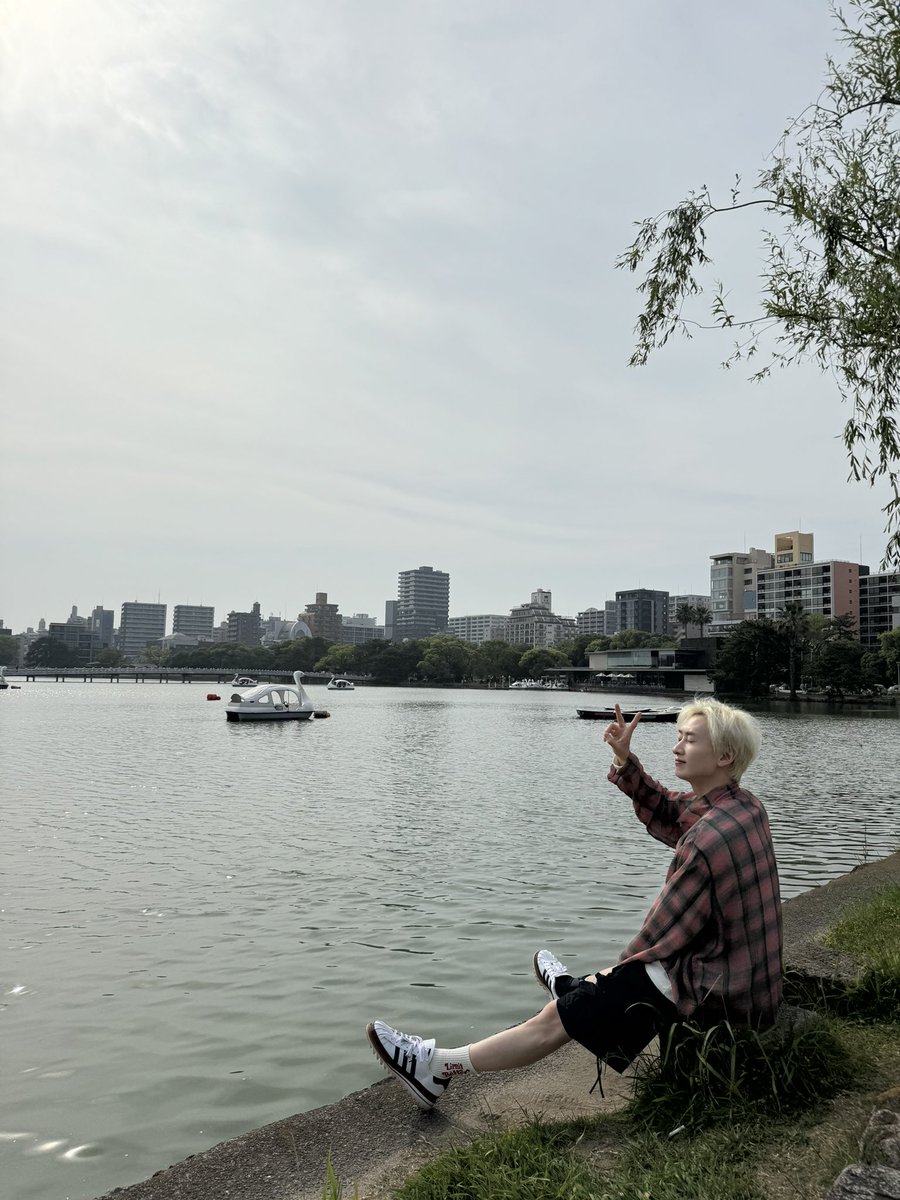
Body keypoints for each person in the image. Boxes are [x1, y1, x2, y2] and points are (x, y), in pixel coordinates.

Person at [366, 698, 783, 1110]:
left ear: (724, 756)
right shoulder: (743, 806)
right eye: (679, 736)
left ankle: (435, 1069)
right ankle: (569, 989)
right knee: (592, 994)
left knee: (558, 1020)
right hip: (743, 980)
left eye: (689, 740)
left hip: (718, 994)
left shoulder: (706, 841)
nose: (676, 747)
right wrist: (625, 760)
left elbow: (655, 941)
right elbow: (673, 810)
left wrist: (597, 992)